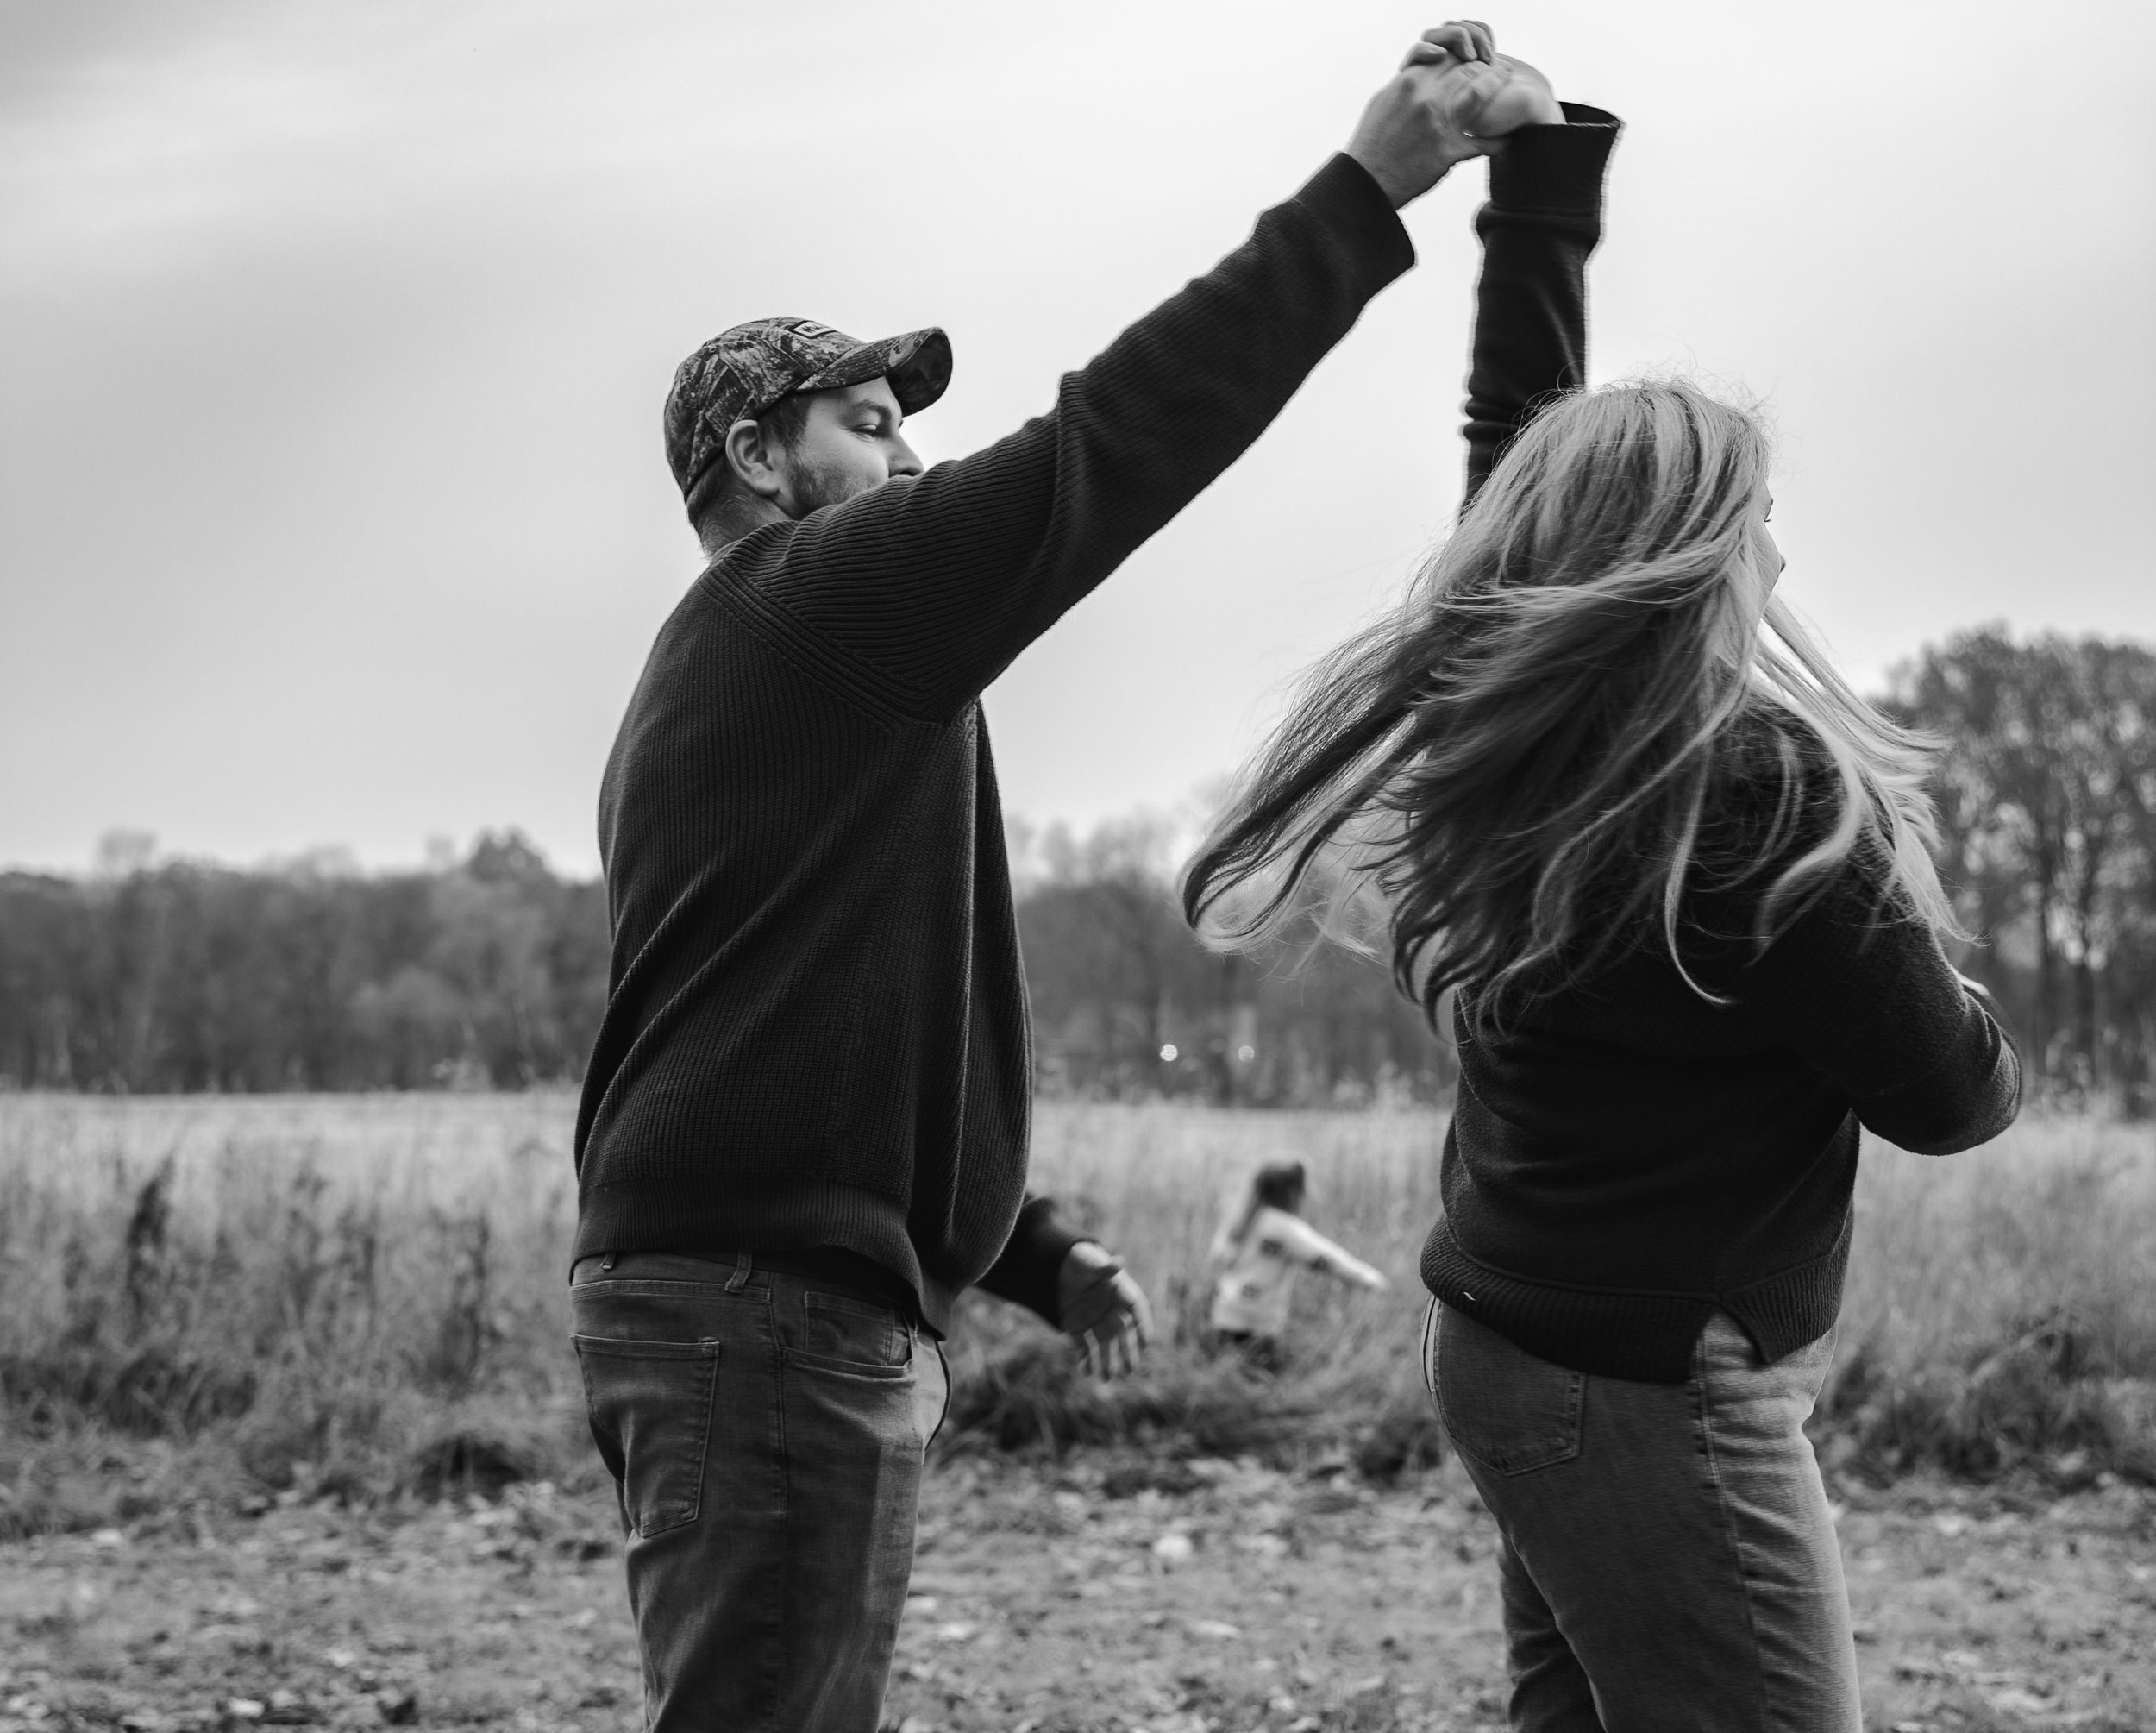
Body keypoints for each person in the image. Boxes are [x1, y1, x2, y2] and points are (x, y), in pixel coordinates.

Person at [567, 24, 1537, 1732]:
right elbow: (1112, 445)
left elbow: (799, 1026)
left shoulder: (759, 677)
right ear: (753, 457)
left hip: (749, 1296)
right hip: (759, 1314)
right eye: (868, 424)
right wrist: (1368, 191)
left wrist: (1017, 1246)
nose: (914, 461)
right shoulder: (819, 594)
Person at [1181, 35, 2021, 1733]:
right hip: (1651, 1384)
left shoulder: (1535, 734)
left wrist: (1541, 187)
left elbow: (1518, 458)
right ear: (1701, 555)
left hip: (1513, 1340)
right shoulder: (1747, 786)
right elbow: (1945, 1096)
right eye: (1754, 517)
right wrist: (1964, 991)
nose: (1775, 549)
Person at [1208, 1159, 1388, 1368]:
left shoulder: (1243, 1220)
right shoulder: (1285, 1228)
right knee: (1258, 1379)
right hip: (1257, 1321)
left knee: (1233, 1377)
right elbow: (1326, 1258)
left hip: (1226, 1313)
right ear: (1293, 1191)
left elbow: (1217, 1258)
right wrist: (1369, 1280)